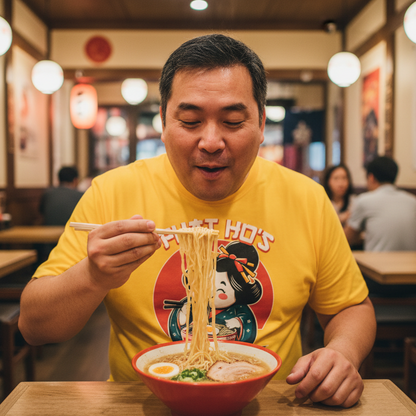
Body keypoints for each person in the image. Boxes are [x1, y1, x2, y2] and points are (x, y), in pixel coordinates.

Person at [19, 34, 375, 408]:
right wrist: (93, 276)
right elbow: (34, 326)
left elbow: (350, 307)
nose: (210, 141)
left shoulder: (305, 197)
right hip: (146, 402)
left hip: (273, 401)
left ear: (261, 123)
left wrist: (343, 353)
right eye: (190, 121)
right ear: (162, 121)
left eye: (233, 121)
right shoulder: (112, 193)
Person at [344, 156, 416, 251]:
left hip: (375, 263)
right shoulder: (412, 201)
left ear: (371, 177)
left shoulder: (365, 200)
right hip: (411, 263)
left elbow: (346, 239)